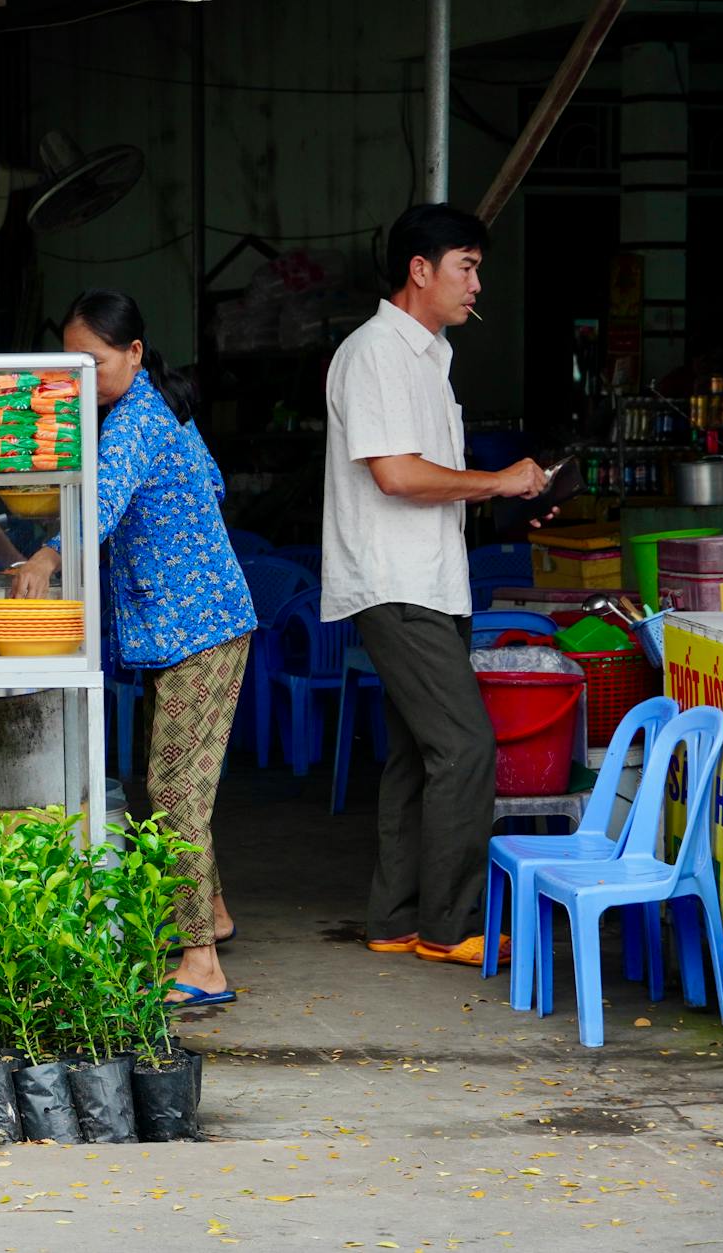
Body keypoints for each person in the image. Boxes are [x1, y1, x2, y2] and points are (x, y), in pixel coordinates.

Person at [12, 290, 255, 1008]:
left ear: (135, 355)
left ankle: (203, 963)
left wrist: (49, 556)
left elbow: (101, 506)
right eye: (70, 364)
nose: (81, 375)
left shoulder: (137, 421)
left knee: (176, 789)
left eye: (92, 361)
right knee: (165, 784)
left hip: (200, 628)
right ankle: (208, 912)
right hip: (177, 626)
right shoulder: (153, 413)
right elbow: (210, 481)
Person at [320, 204, 547, 967]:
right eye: (467, 266)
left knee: (419, 752)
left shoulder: (427, 358)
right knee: (465, 744)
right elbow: (397, 473)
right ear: (420, 270)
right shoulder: (376, 352)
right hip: (396, 580)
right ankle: (452, 926)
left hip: (431, 579)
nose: (477, 283)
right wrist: (499, 480)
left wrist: (504, 490)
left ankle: (395, 916)